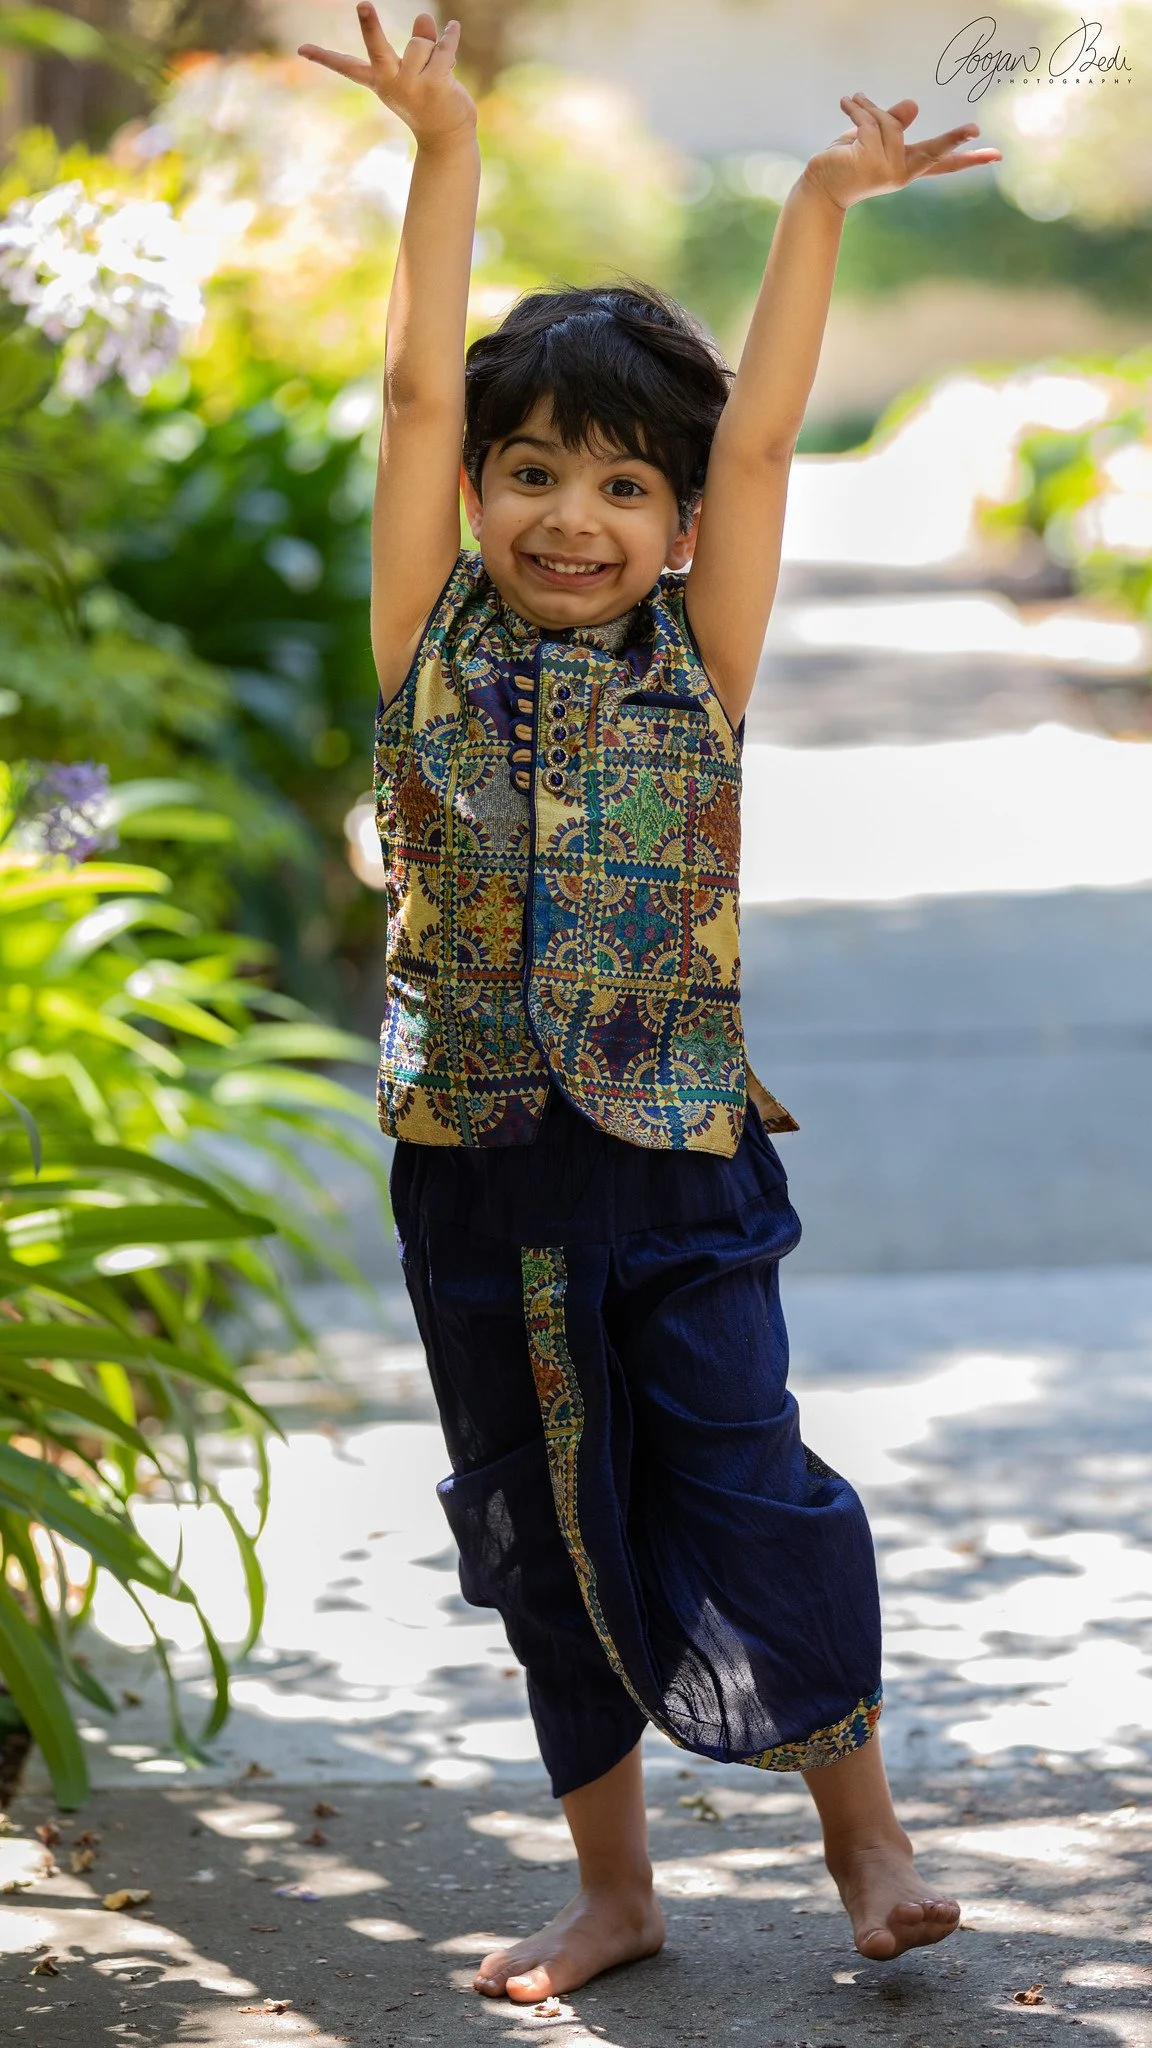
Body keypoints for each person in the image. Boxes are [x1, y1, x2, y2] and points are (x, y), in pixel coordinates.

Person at [300, 7, 1002, 2006]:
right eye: (533, 472)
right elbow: (415, 387)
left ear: (681, 526)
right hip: (475, 1169)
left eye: (622, 484)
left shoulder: (704, 664)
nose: (568, 515)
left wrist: (819, 199)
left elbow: (765, 432)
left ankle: (866, 1842)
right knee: (538, 1531)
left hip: (683, 1162)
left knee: (750, 1475)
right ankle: (613, 1888)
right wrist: (444, 155)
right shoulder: (420, 642)